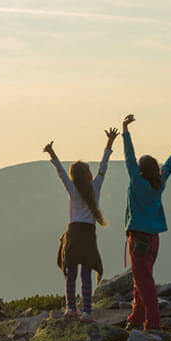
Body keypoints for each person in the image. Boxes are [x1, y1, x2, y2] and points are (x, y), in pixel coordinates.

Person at [121, 113, 171, 330]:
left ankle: (152, 324)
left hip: (138, 239)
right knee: (142, 280)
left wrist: (125, 130)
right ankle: (136, 317)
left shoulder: (137, 181)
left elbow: (128, 155)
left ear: (141, 169)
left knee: (145, 283)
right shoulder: (159, 182)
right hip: (153, 240)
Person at [44, 127, 119, 320]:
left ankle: (71, 308)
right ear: (88, 174)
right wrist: (110, 143)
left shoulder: (72, 189)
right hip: (87, 234)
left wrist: (52, 154)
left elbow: (61, 173)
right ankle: (86, 311)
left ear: (74, 176)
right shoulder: (95, 188)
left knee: (71, 273)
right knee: (86, 273)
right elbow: (103, 167)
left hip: (73, 233)